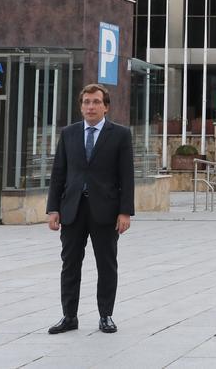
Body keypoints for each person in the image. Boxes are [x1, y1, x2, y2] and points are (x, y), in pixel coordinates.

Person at [45, 84, 135, 335]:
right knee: (70, 264)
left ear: (106, 106)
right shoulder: (69, 133)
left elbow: (126, 177)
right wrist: (53, 208)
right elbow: (58, 174)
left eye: (96, 102)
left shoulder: (120, 134)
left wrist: (125, 212)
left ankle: (106, 315)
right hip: (72, 209)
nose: (91, 106)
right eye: (86, 102)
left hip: (105, 210)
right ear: (81, 106)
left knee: (106, 265)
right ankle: (69, 316)